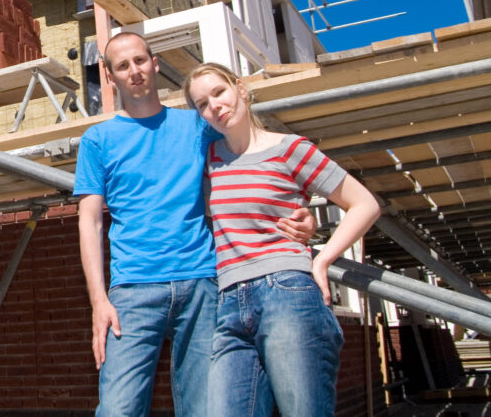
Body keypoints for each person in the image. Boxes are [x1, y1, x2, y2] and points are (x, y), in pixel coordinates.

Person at [74, 32, 314, 416]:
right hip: (132, 290)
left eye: (139, 61)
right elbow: (89, 223)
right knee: (118, 409)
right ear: (110, 76)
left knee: (206, 409)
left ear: (154, 63)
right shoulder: (98, 139)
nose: (134, 71)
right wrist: (98, 301)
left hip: (202, 284)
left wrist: (300, 207)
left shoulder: (197, 125)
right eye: (122, 66)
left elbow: (252, 154)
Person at [183, 62, 381, 417]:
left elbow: (364, 204)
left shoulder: (290, 149)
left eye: (219, 92)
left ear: (240, 89)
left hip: (286, 294)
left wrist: (321, 258)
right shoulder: (210, 160)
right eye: (202, 104)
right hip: (228, 304)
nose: (214, 105)